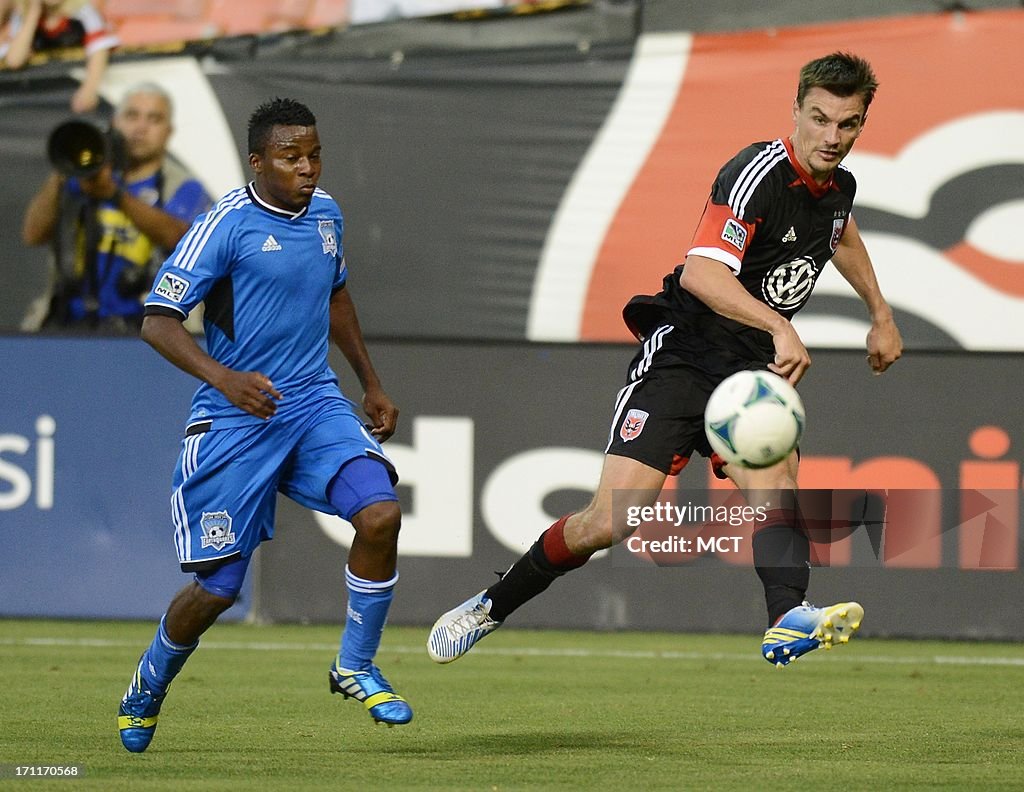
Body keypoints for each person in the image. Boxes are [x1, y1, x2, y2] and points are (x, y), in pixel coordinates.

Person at [428, 52, 903, 668]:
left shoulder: (839, 189)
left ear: (862, 124)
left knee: (778, 483)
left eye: (848, 124)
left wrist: (881, 312)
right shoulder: (755, 174)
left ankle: (786, 618)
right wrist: (779, 324)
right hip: (685, 353)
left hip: (750, 370)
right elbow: (704, 274)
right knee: (609, 523)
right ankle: (491, 605)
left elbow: (839, 232)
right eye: (820, 119)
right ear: (795, 111)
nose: (832, 137)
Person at [116, 97, 411, 754]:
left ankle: (355, 665)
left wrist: (370, 382)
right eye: (290, 156)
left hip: (312, 404)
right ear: (257, 161)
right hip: (235, 417)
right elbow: (157, 319)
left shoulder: (327, 212)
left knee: (382, 515)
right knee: (218, 589)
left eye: (314, 154)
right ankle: (149, 683)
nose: (307, 168)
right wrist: (223, 378)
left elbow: (336, 293)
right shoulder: (224, 224)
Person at [21, 82, 211, 333]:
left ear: (168, 132)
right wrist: (65, 166)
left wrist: (114, 195)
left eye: (154, 119)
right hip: (69, 325)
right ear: (114, 122)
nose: (140, 128)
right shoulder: (79, 178)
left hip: (147, 329)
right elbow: (33, 234)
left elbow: (180, 237)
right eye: (132, 116)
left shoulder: (185, 186)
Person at [1, 0, 118, 113]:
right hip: (43, 96)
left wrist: (89, 89)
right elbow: (14, 60)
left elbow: (98, 50)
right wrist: (32, 14)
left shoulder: (83, 12)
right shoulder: (23, 16)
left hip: (74, 88)